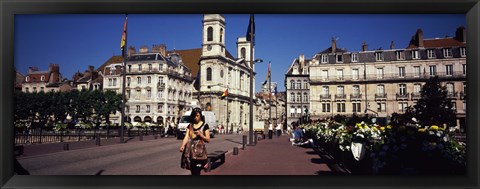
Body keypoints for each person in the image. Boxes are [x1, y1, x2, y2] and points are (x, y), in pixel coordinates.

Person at [179, 107, 211, 175]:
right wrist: (182, 145)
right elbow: (186, 137)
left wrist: (201, 135)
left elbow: (208, 140)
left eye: (197, 116)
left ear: (200, 115)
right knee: (193, 170)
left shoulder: (205, 126)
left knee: (197, 171)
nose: (196, 117)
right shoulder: (190, 125)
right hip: (190, 152)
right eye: (194, 116)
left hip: (199, 152)